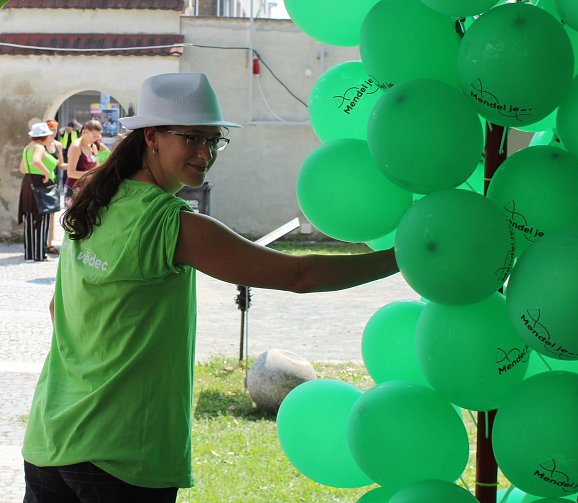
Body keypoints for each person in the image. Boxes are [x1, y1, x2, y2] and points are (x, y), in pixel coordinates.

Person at [22, 72, 398, 502]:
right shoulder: (167, 221)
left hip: (51, 437)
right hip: (121, 453)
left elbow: (59, 310)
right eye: (192, 138)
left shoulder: (95, 200)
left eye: (213, 141)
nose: (206, 153)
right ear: (151, 138)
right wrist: (402, 257)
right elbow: (300, 275)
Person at [17, 122, 59, 262]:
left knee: (30, 219)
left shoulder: (28, 147)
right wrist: (46, 173)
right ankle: (40, 255)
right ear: (44, 136)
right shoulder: (39, 147)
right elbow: (36, 161)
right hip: (41, 184)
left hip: (28, 183)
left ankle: (29, 254)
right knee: (42, 218)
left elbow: (22, 168)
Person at [63, 120, 103, 208]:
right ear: (84, 132)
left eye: (98, 136)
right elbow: (71, 173)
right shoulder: (76, 147)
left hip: (88, 189)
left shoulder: (93, 146)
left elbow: (97, 167)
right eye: (94, 136)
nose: (96, 139)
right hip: (74, 189)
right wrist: (91, 175)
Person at [44, 119, 67, 255]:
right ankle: (41, 241)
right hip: (43, 181)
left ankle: (49, 244)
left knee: (52, 213)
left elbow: (61, 165)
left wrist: (73, 167)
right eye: (51, 130)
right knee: (42, 213)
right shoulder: (40, 145)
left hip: (55, 182)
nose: (53, 133)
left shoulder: (58, 145)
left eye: (55, 130)